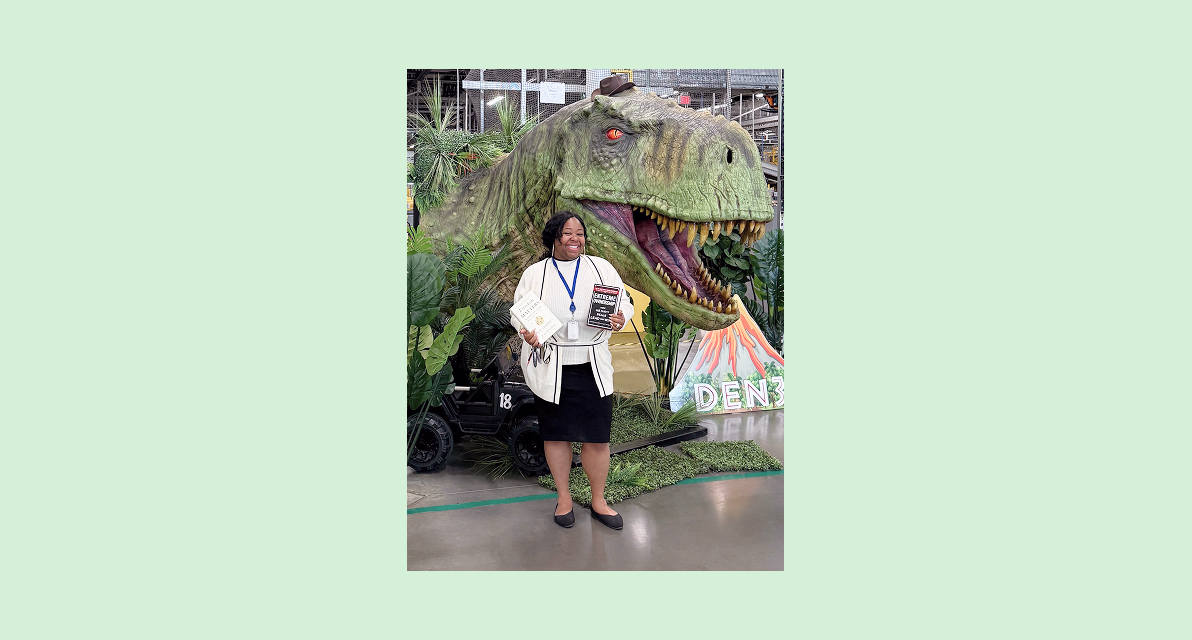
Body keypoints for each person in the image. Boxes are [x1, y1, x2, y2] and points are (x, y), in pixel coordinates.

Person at [512, 212, 634, 530]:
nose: (575, 239)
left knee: (597, 438)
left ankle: (599, 500)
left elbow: (625, 301)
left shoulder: (600, 268)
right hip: (551, 366)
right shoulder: (535, 274)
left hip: (592, 364)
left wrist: (621, 316)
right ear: (555, 236)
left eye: (580, 233)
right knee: (556, 434)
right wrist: (527, 331)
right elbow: (520, 313)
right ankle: (564, 498)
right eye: (568, 233)